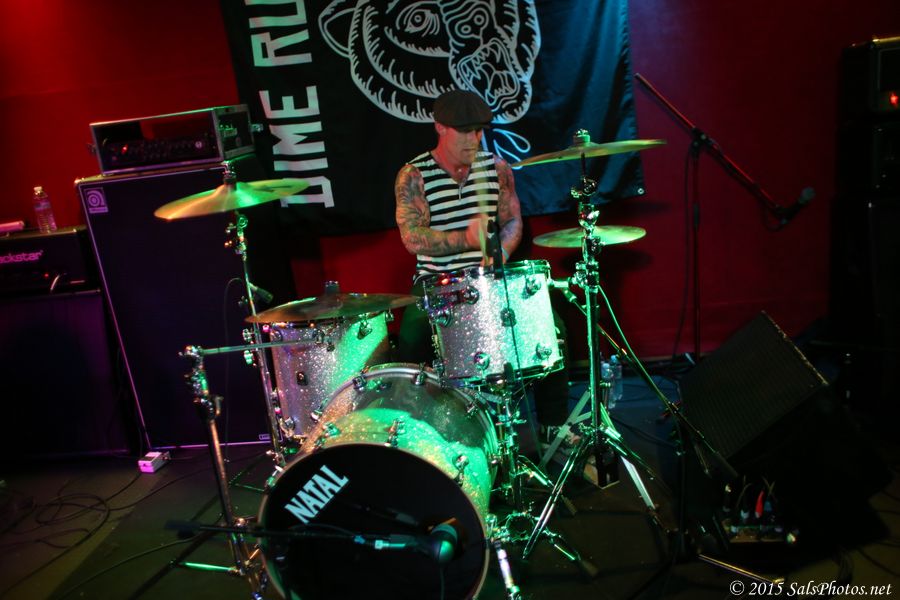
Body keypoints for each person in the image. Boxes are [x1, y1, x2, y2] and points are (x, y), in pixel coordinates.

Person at [393, 89, 569, 434]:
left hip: (489, 279)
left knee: (552, 329)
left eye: (477, 131)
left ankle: (553, 428)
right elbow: (411, 238)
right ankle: (418, 434)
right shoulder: (414, 174)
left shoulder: (495, 167)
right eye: (463, 131)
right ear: (440, 127)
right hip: (436, 282)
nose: (472, 139)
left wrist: (500, 250)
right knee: (412, 340)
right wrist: (468, 239)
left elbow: (512, 221)